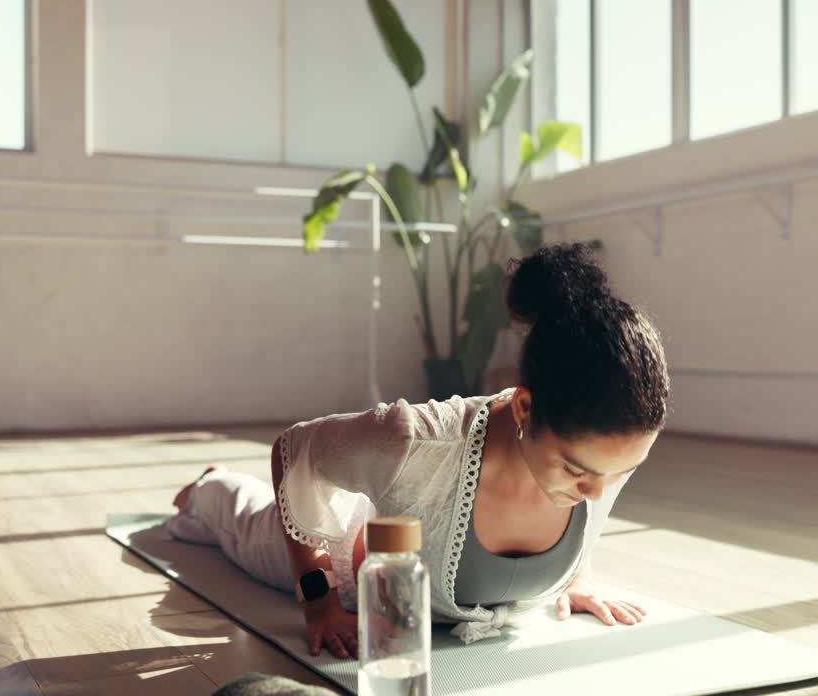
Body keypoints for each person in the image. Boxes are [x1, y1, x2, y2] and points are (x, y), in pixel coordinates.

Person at [167, 242, 670, 660]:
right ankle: (211, 483)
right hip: (349, 565)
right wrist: (319, 602)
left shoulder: (604, 454)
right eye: (577, 470)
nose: (598, 490)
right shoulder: (412, 439)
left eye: (623, 470)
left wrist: (573, 577)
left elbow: (590, 499)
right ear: (523, 409)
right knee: (245, 519)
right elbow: (296, 450)